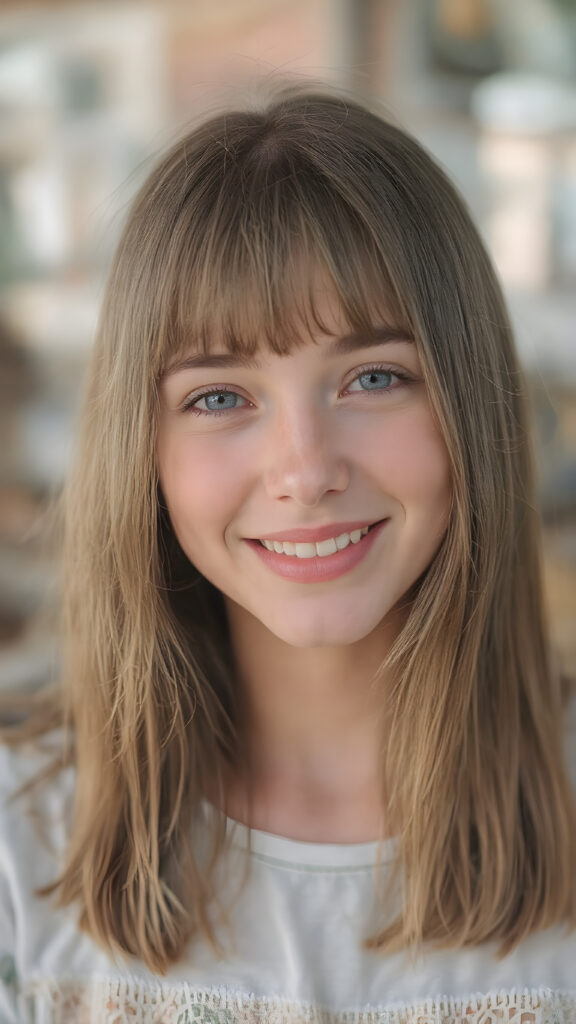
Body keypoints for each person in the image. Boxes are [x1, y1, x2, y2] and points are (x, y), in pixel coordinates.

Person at [1, 85, 575, 1024]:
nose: (305, 471)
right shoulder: (18, 847)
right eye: (220, 396)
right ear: (140, 450)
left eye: (376, 377)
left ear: (470, 404)